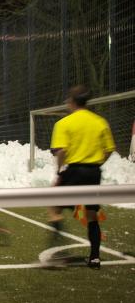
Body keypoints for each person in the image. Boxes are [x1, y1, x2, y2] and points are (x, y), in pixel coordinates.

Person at [48, 85, 116, 269]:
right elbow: (109, 149)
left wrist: (59, 172)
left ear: (71, 101)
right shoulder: (100, 121)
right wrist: (98, 163)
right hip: (93, 172)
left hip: (73, 171)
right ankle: (94, 257)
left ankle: (58, 251)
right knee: (92, 215)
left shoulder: (64, 123)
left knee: (54, 208)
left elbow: (61, 151)